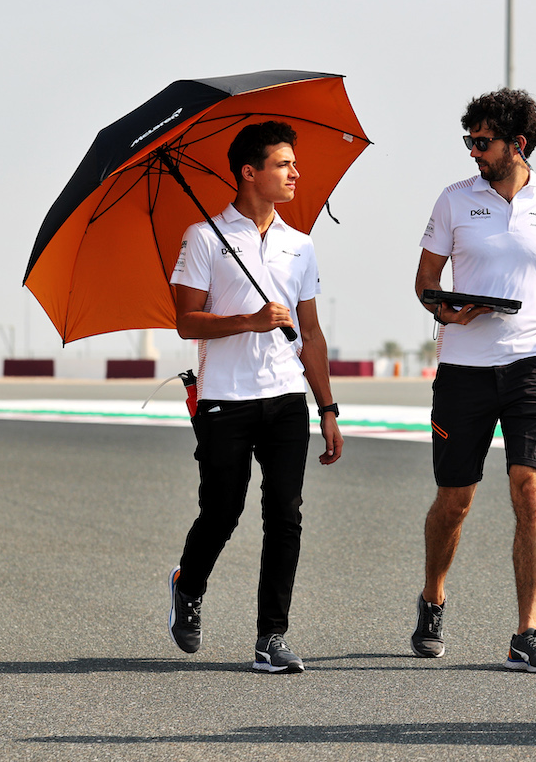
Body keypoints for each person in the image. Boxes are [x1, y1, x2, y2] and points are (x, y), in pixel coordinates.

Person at [411, 88, 536, 673]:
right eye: (468, 140)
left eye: (481, 141)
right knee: (455, 502)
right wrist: (445, 309)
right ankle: (433, 598)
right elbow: (425, 281)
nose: (473, 151)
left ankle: (527, 632)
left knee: (530, 490)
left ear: (517, 144)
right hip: (463, 366)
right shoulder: (453, 200)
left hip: (531, 363)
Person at [166, 120, 343, 674]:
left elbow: (310, 335)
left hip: (286, 398)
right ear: (250, 172)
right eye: (284, 164)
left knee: (284, 515)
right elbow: (185, 322)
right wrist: (247, 320)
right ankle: (187, 585)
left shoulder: (301, 245)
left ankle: (272, 637)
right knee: (222, 510)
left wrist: (329, 408)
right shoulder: (204, 237)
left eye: (294, 163)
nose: (295, 173)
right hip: (224, 398)